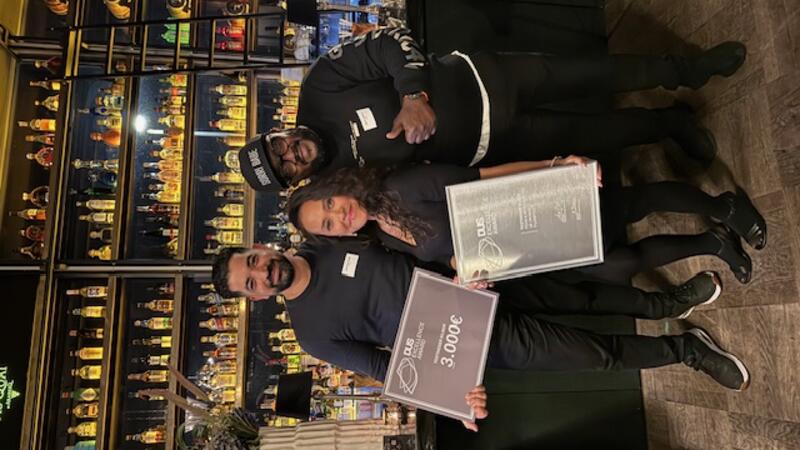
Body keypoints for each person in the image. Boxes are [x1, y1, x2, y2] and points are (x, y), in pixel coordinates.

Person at [212, 241, 750, 432]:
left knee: (585, 293)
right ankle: (687, 350)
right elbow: (388, 368)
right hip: (472, 337)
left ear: (260, 246)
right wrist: (452, 400)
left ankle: (672, 302)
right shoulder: (311, 334)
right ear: (255, 298)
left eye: (253, 262)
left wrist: (456, 264)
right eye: (251, 283)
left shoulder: (323, 239)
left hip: (481, 276)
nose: (262, 273)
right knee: (597, 355)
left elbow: (401, 237)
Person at [236, 27, 748, 191]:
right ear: (294, 180)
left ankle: (690, 68)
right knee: (598, 133)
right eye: (284, 166)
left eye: (276, 144)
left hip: (485, 76)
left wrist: (413, 97)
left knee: (598, 72)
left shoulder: (322, 85)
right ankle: (671, 124)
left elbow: (391, 42)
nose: (290, 152)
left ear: (276, 130)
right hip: (494, 143)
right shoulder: (334, 188)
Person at [285, 158, 767, 284]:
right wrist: (464, 271)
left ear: (338, 189)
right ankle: (714, 243)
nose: (337, 216)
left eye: (328, 204)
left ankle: (724, 208)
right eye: (328, 225)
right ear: (337, 237)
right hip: (531, 252)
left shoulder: (400, 187)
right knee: (623, 262)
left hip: (537, 209)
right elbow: (451, 250)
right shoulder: (384, 239)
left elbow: (486, 176)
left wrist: (556, 167)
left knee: (634, 204)